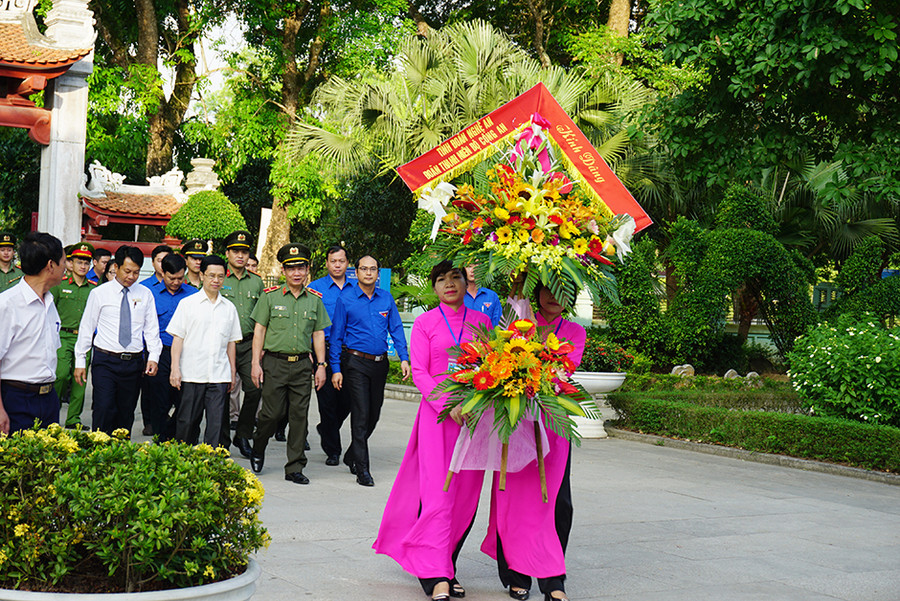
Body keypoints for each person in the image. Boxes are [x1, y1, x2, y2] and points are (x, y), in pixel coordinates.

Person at [374, 261, 491, 601]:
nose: (449, 283)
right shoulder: (425, 322)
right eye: (441, 279)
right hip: (438, 420)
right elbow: (422, 373)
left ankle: (447, 565)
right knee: (438, 497)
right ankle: (436, 574)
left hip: (472, 421)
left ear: (466, 280)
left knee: (464, 501)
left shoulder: (482, 323)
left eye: (455, 276)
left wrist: (473, 405)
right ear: (434, 288)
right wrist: (447, 404)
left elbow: (493, 369)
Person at [481, 282, 586, 601]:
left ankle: (553, 577)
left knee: (557, 502)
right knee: (512, 499)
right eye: (547, 289)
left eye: (562, 290)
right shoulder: (517, 322)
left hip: (553, 425)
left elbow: (562, 370)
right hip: (516, 424)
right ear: (537, 292)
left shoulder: (575, 332)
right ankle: (516, 573)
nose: (553, 296)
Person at [248, 243, 330, 485]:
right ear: (283, 271)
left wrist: (322, 366)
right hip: (274, 363)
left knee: (299, 417)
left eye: (301, 268)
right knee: (271, 415)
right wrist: (255, 363)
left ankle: (294, 466)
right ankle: (258, 446)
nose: (296, 273)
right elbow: (259, 331)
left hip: (302, 366)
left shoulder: (314, 300)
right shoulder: (270, 297)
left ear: (307, 271)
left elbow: (318, 334)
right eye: (291, 268)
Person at [329, 255, 411, 486]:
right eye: (364, 269)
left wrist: (404, 358)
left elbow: (395, 328)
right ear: (357, 272)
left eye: (373, 269)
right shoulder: (346, 299)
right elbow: (335, 337)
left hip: (380, 363)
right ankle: (362, 469)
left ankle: (351, 454)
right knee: (361, 414)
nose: (368, 273)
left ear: (377, 272)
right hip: (355, 363)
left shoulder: (386, 298)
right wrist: (336, 369)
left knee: (374, 414)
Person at [74, 245, 162, 435]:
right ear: (117, 267)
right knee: (104, 408)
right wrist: (80, 360)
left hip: (133, 363)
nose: (131, 276)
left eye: (136, 272)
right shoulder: (99, 293)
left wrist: (153, 357)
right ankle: (98, 452)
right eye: (127, 271)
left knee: (125, 414)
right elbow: (87, 328)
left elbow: (151, 329)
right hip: (105, 362)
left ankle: (120, 456)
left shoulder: (145, 294)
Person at [168, 255, 242, 446]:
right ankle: (184, 461)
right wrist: (175, 369)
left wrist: (232, 372)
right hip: (192, 374)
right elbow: (178, 338)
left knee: (217, 425)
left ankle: (213, 462)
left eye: (220, 276)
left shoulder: (229, 308)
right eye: (211, 276)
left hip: (219, 375)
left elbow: (231, 343)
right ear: (201, 276)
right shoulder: (188, 304)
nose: (215, 280)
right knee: (187, 422)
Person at [0, 232, 66, 435]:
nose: (67, 266)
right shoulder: (8, 304)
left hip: (48, 399)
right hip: (16, 399)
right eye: (64, 261)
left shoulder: (49, 302)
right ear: (50, 265)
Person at [141, 253, 197, 440]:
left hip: (186, 353)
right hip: (160, 351)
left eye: (180, 278)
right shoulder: (148, 293)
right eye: (171, 278)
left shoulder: (193, 295)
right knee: (159, 400)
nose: (175, 282)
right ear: (162, 273)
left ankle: (179, 435)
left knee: (185, 400)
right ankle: (160, 438)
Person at [220, 230, 264, 457]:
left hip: (247, 345)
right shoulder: (218, 278)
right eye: (236, 251)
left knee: (255, 389)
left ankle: (243, 434)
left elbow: (262, 317)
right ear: (227, 253)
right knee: (221, 392)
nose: (240, 256)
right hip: (221, 346)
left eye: (244, 252)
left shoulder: (256, 282)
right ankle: (222, 438)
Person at [308, 245, 352, 466]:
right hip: (322, 349)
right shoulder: (315, 288)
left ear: (347, 263)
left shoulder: (356, 288)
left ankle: (326, 428)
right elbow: (307, 321)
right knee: (327, 400)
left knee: (348, 400)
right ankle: (333, 450)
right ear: (326, 263)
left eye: (341, 261)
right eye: (333, 261)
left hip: (349, 351)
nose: (337, 265)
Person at [51, 242, 98, 428]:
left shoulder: (94, 288)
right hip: (63, 336)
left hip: (84, 338)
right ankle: (51, 413)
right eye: (79, 262)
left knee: (81, 378)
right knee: (61, 375)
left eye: (86, 263)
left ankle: (73, 419)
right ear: (71, 263)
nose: (83, 267)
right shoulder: (60, 286)